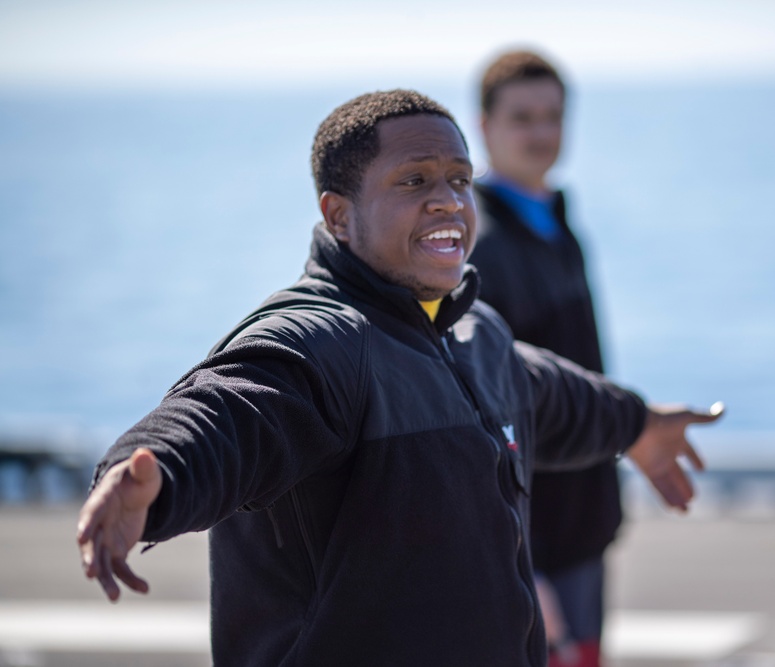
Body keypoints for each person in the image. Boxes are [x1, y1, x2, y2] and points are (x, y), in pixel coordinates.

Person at [76, 89, 723, 667]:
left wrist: (637, 423)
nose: (448, 199)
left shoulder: (474, 333)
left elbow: (551, 394)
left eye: (459, 179)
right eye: (413, 180)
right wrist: (153, 474)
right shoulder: (321, 341)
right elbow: (228, 409)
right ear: (338, 215)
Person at [469, 49, 617, 666]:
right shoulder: (478, 243)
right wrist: (522, 561)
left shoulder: (558, 219)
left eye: (552, 116)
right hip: (532, 541)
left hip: (583, 519)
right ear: (484, 126)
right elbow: (481, 413)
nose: (541, 133)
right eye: (522, 117)